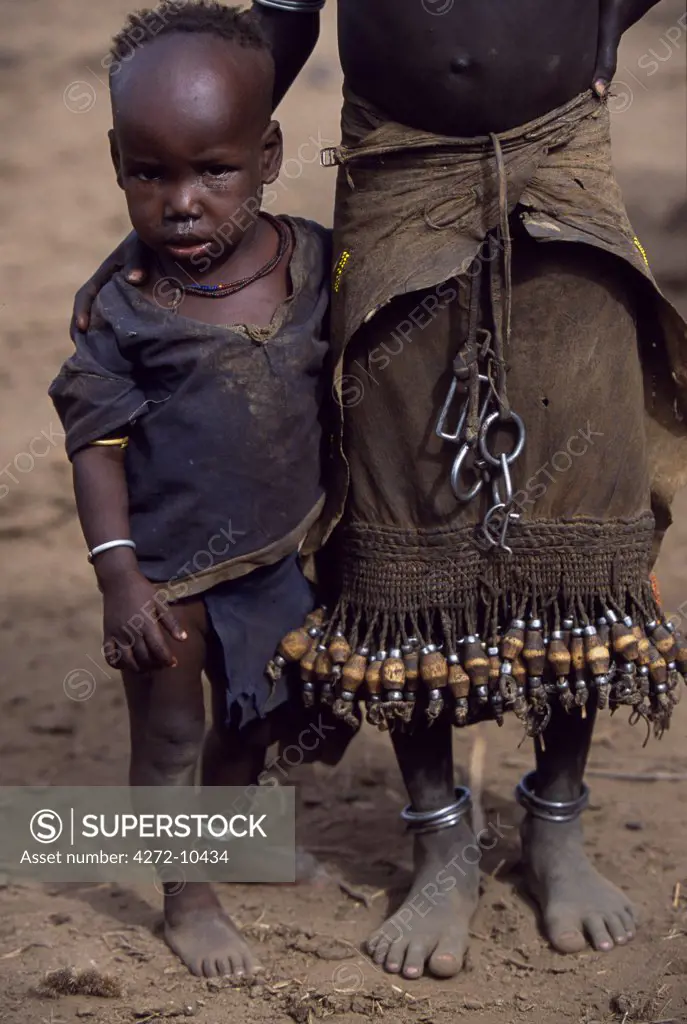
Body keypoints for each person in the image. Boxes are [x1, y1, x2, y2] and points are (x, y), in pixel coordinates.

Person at [71, 0, 687, 984]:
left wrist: (608, 26)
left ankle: (557, 819)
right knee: (400, 500)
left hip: (562, 144)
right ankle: (440, 835)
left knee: (586, 501)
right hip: (398, 167)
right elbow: (267, 31)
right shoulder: (229, 216)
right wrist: (159, 248)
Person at [51, 1, 350, 980]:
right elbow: (97, 443)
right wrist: (121, 580)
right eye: (151, 173)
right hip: (171, 577)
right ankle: (186, 897)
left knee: (254, 722)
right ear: (114, 161)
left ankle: (229, 843)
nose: (182, 201)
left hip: (279, 558)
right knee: (173, 732)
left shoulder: (311, 265)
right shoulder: (126, 308)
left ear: (266, 156)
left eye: (213, 170)